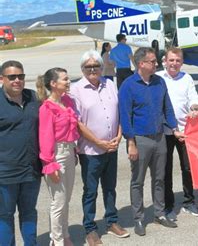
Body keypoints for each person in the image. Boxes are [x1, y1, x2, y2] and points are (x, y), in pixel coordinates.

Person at [119, 47, 184, 236]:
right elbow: (125, 115)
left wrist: (175, 129)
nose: (157, 64)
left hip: (159, 138)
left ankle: (159, 213)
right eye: (153, 61)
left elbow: (168, 109)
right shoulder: (128, 85)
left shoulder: (159, 82)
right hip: (139, 140)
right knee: (137, 181)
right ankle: (138, 218)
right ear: (141, 64)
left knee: (159, 179)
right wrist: (130, 142)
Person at [69, 50, 129, 245]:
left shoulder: (110, 84)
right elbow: (78, 123)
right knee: (90, 191)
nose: (93, 69)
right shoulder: (76, 89)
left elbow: (119, 112)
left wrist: (119, 136)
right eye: (88, 67)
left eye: (96, 66)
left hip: (111, 148)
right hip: (90, 151)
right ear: (82, 69)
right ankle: (90, 228)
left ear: (102, 68)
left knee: (110, 188)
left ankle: (111, 221)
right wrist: (98, 141)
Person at [156, 47, 198, 220]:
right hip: (165, 132)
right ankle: (168, 205)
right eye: (171, 60)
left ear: (182, 62)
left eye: (178, 60)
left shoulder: (187, 78)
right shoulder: (158, 78)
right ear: (165, 61)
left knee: (188, 168)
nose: (174, 63)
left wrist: (195, 108)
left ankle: (189, 201)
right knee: (165, 169)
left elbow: (194, 98)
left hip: (185, 131)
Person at [37, 67, 80, 245]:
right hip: (56, 155)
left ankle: (65, 234)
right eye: (65, 79)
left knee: (66, 199)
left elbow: (73, 130)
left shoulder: (67, 101)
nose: (68, 81)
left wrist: (74, 152)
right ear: (53, 84)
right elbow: (45, 137)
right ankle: (57, 240)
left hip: (69, 152)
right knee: (58, 202)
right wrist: (50, 163)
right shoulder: (47, 108)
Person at [0, 61, 41, 246]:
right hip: (5, 173)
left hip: (31, 170)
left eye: (21, 76)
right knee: (5, 215)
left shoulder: (33, 98)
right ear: (2, 79)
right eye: (12, 77)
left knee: (29, 212)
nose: (17, 80)